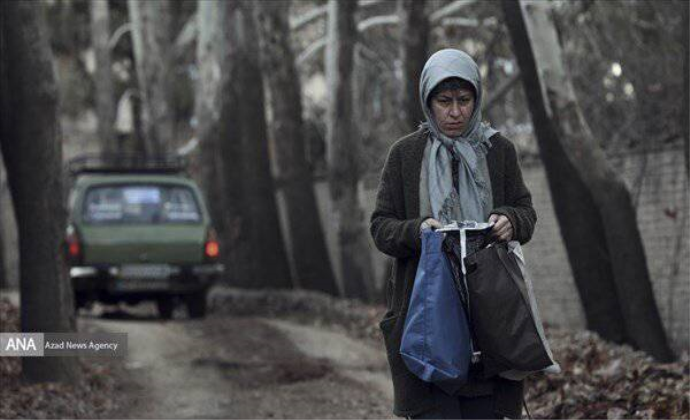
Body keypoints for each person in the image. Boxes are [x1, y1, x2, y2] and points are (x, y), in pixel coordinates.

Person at [370, 49, 537, 420]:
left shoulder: (499, 151)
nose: (455, 111)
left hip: (489, 318)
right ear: (428, 101)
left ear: (476, 99)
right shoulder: (405, 155)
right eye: (444, 101)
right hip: (427, 316)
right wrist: (418, 230)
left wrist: (512, 220)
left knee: (486, 408)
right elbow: (381, 227)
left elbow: (526, 212)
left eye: (464, 100)